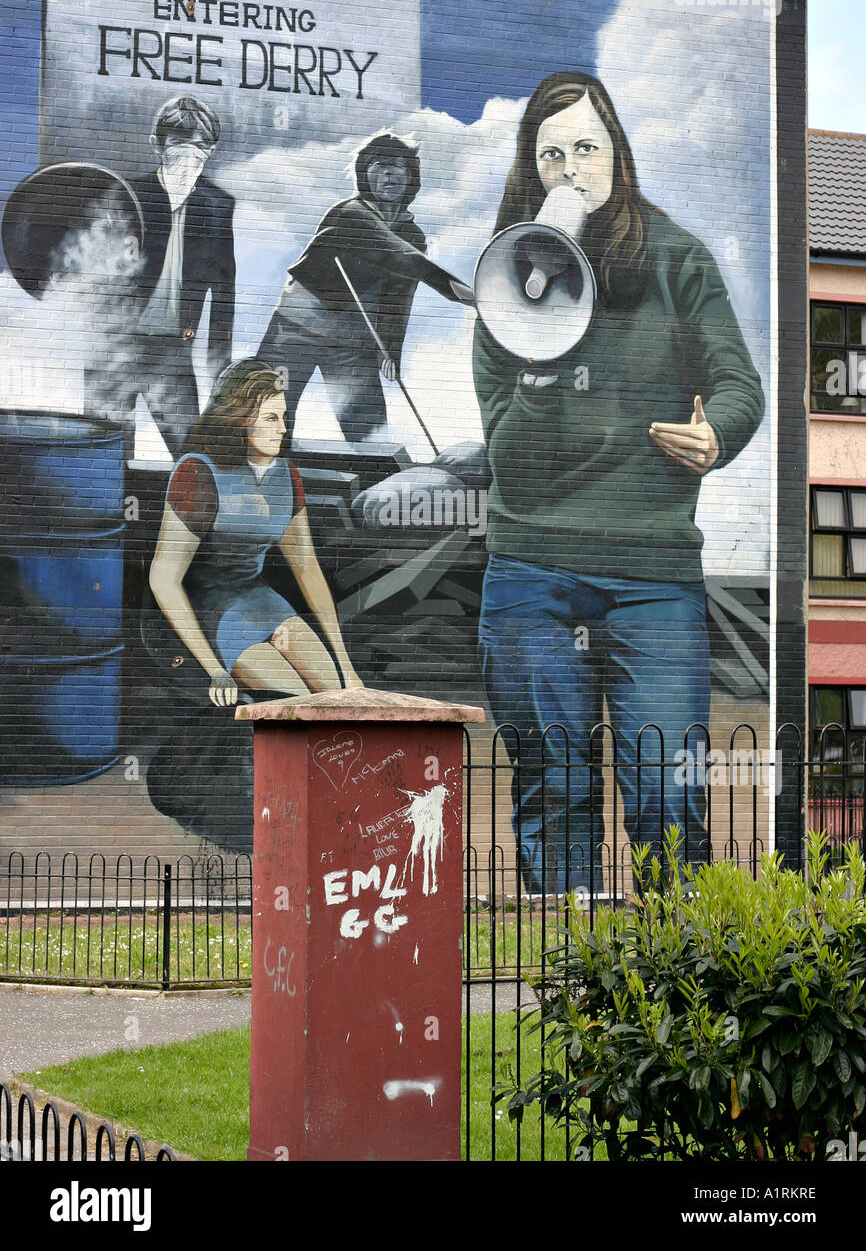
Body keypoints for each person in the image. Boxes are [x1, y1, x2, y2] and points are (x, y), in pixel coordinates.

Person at [473, 71, 765, 894]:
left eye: (587, 149)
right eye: (552, 155)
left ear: (618, 156)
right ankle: (562, 989)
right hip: (532, 570)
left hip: (653, 574)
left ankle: (676, 994)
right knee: (554, 787)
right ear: (532, 174)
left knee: (668, 794)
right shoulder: (507, 284)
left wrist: (718, 436)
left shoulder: (677, 259)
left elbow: (740, 384)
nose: (571, 170)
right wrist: (538, 352)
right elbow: (512, 461)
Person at [144, 358, 362, 707]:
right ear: (241, 419)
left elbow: (306, 568)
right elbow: (163, 579)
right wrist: (216, 670)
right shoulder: (197, 474)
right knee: (301, 704)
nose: (283, 429)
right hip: (209, 609)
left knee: (337, 697)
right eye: (271, 418)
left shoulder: (285, 476)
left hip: (260, 600)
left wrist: (346, 667)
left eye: (284, 418)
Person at [256, 131, 472, 445]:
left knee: (368, 430)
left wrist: (391, 350)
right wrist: (465, 294)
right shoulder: (351, 214)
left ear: (411, 176)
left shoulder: (413, 234)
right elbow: (402, 257)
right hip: (295, 332)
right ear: (365, 175)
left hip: (352, 344)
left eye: (398, 167)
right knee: (270, 416)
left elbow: (400, 297)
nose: (389, 173)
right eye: (379, 165)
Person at [87, 95, 236, 457]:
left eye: (201, 145)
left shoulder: (217, 205)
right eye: (179, 142)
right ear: (158, 145)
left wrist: (219, 364)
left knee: (192, 458)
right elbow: (93, 272)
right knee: (108, 455)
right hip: (116, 348)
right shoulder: (127, 197)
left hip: (173, 352)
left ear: (212, 150)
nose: (191, 154)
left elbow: (225, 289)